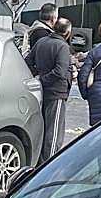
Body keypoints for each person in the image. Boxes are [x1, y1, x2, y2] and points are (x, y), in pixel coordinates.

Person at [29, 17, 74, 163]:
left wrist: (38, 77)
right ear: (67, 33)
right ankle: (49, 165)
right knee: (54, 132)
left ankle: (40, 162)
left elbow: (28, 62)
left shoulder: (41, 42)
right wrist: (44, 79)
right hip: (56, 92)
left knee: (43, 128)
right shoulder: (62, 47)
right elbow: (60, 71)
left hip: (42, 92)